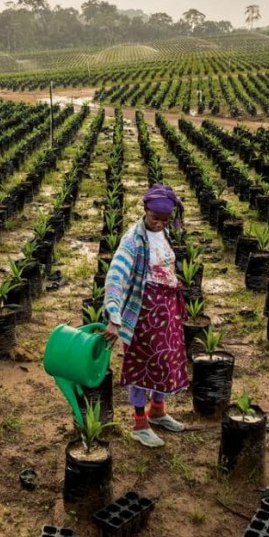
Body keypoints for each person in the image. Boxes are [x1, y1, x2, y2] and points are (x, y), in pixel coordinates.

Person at [102, 183, 188, 448]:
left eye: (165, 220)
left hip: (167, 308)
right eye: (155, 218)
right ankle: (140, 423)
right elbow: (117, 274)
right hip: (144, 311)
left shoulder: (164, 233)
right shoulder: (133, 239)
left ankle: (158, 410)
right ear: (145, 211)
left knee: (167, 361)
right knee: (143, 364)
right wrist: (114, 315)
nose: (160, 224)